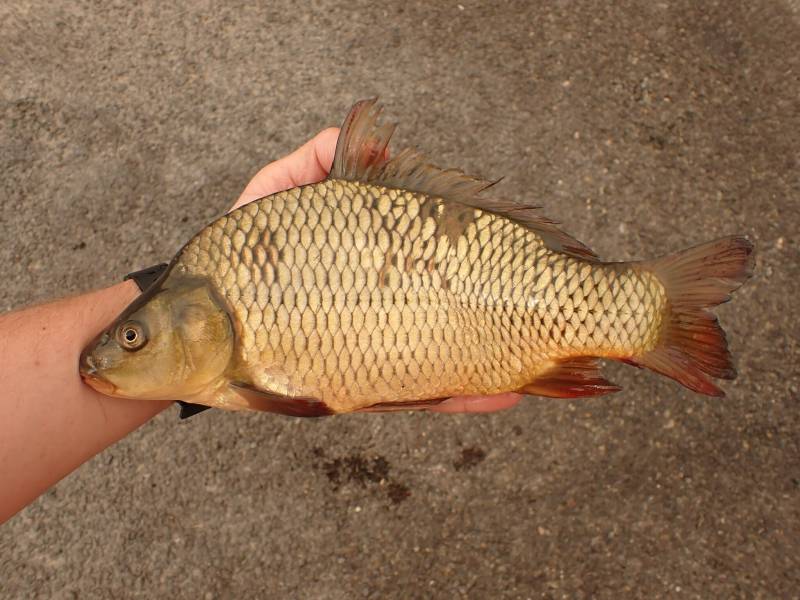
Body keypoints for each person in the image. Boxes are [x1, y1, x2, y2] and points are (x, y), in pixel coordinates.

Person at [0, 128, 521, 524]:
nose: (108, 357)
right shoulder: (219, 272)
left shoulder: (222, 274)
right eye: (132, 339)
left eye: (133, 337)